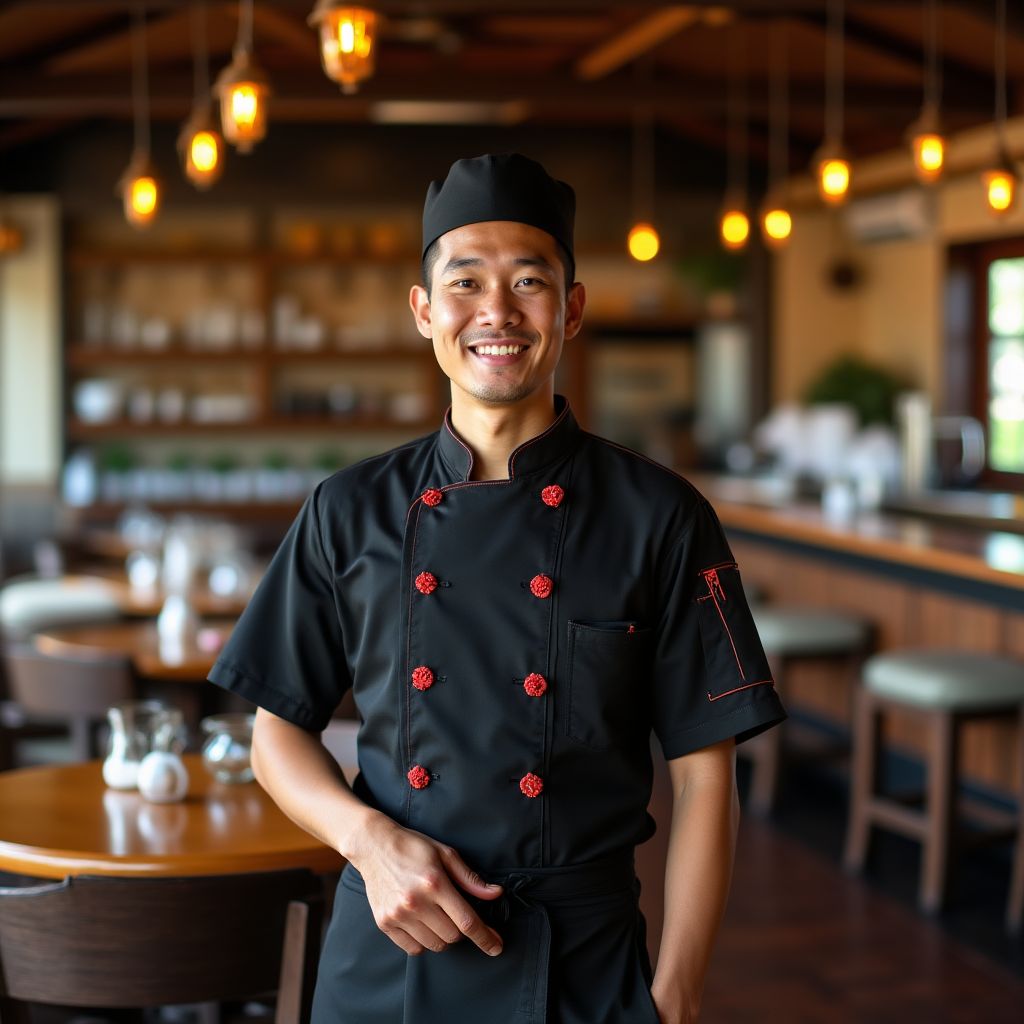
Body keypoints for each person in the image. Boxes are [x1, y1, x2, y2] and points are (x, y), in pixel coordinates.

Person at [209, 152, 785, 1024]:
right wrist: (368, 842)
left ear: (573, 309)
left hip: (582, 968)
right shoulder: (347, 509)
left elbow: (708, 779)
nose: (497, 313)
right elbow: (275, 735)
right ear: (424, 311)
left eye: (529, 282)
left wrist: (677, 996)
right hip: (385, 954)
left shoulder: (662, 515)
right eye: (466, 282)